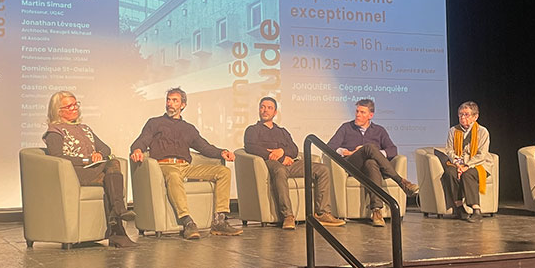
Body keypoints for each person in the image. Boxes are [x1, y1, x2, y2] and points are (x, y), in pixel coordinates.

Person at [130, 88, 242, 240]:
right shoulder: (155, 123)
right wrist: (137, 149)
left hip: (186, 167)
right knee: (174, 175)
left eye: (174, 100)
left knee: (223, 172)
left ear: (183, 105)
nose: (170, 103)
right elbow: (143, 140)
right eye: (168, 100)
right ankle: (187, 222)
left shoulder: (188, 128)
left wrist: (222, 152)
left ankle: (219, 220)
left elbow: (204, 147)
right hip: (164, 166)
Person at [43, 91, 136, 248]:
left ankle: (117, 217)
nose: (75, 108)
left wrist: (99, 154)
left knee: (111, 166)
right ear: (58, 111)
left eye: (76, 104)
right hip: (75, 174)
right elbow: (57, 157)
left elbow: (105, 148)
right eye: (69, 106)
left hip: (93, 170)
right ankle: (118, 219)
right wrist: (87, 159)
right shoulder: (54, 131)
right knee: (112, 168)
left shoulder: (85, 128)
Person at [243, 97, 345, 230]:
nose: (265, 110)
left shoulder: (282, 131)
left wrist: (282, 151)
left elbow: (294, 149)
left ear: (275, 113)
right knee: (280, 171)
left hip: (291, 163)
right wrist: (279, 158)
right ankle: (288, 216)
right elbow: (251, 147)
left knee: (323, 169)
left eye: (269, 108)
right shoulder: (252, 130)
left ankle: (322, 213)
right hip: (269, 164)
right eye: (262, 107)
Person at [327, 99, 418, 227]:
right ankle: (401, 182)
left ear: (371, 115)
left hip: (371, 168)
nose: (358, 115)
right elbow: (330, 147)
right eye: (357, 111)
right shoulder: (346, 127)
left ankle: (376, 211)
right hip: (352, 165)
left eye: (362, 112)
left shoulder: (379, 130)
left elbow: (393, 150)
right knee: (369, 147)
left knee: (371, 162)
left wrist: (377, 153)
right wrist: (346, 152)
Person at [438, 101, 493, 223]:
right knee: (449, 173)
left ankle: (476, 210)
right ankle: (459, 208)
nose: (463, 117)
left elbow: (482, 154)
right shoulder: (453, 131)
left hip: (479, 164)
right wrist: (458, 164)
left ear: (475, 116)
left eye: (466, 114)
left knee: (468, 174)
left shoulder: (482, 132)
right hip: (458, 163)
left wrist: (467, 165)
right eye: (460, 114)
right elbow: (450, 150)